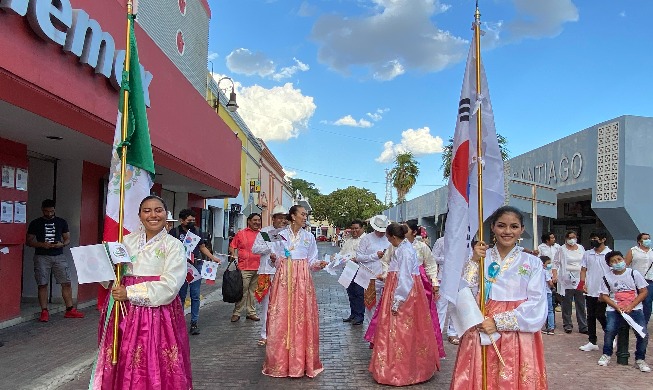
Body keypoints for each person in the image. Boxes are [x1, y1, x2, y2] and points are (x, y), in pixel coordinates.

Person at [92, 195, 192, 389]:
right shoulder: (124, 242)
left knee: (153, 359)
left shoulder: (174, 246)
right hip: (123, 311)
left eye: (158, 210)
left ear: (166, 214)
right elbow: (111, 276)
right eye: (147, 211)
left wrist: (129, 292)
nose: (153, 215)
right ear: (139, 215)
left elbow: (170, 286)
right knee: (121, 357)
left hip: (157, 314)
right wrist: (101, 263)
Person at [450, 206, 547, 389]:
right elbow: (465, 291)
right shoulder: (481, 258)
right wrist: (473, 262)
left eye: (514, 226)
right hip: (481, 322)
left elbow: (537, 303)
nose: (507, 231)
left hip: (517, 328)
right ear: (493, 227)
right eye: (501, 226)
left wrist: (499, 322)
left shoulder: (532, 262)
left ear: (522, 230)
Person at [368, 223, 439, 386]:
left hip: (404, 294)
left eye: (388, 237)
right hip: (398, 289)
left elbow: (406, 279)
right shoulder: (403, 248)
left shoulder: (405, 251)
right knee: (399, 330)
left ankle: (401, 369)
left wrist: (397, 301)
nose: (388, 240)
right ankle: (397, 366)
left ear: (393, 237)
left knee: (401, 330)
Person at [262, 205, 327, 378]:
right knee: (281, 317)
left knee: (302, 317)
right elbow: (272, 261)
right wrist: (274, 259)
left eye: (306, 215)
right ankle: (280, 362)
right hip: (283, 279)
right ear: (293, 216)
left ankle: (301, 362)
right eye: (302, 214)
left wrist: (318, 264)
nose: (305, 217)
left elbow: (312, 260)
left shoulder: (309, 237)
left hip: (303, 281)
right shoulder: (279, 235)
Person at [26, 199, 84, 322]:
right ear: (42, 210)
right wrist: (42, 244)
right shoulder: (35, 223)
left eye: (51, 211)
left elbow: (67, 238)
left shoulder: (61, 222)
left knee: (66, 282)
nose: (49, 213)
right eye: (46, 211)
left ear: (54, 209)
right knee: (42, 284)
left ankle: (70, 309)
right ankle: (44, 311)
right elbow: (29, 241)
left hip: (59, 255)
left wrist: (61, 244)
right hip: (41, 256)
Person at [169, 208, 222, 335]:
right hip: (180, 268)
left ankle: (194, 322)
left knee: (195, 295)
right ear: (182, 221)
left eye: (193, 220)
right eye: (189, 220)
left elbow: (202, 247)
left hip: (195, 268)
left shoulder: (197, 231)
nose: (192, 222)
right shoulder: (174, 232)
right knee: (180, 295)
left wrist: (213, 258)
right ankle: (179, 322)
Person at [597, 250, 650, 372]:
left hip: (635, 309)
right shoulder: (606, 277)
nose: (617, 263)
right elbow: (604, 295)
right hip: (614, 309)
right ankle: (607, 354)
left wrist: (631, 306)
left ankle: (640, 359)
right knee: (610, 330)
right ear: (609, 264)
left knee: (643, 334)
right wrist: (616, 307)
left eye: (619, 260)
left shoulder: (634, 274)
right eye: (613, 261)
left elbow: (644, 292)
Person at [251, 205, 288, 346]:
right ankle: (265, 334)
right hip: (267, 272)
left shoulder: (289, 233)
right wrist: (269, 248)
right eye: (280, 218)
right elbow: (255, 248)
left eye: (285, 218)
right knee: (267, 305)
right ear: (274, 218)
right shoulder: (265, 232)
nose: (283, 221)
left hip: (284, 272)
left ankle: (282, 334)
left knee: (284, 305)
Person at [578, 230, 611, 352]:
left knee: (600, 315)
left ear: (603, 240)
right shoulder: (588, 254)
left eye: (596, 238)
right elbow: (583, 269)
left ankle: (610, 337)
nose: (593, 241)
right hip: (590, 288)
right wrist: (583, 283)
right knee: (590, 316)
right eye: (592, 239)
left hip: (603, 290)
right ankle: (592, 341)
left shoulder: (609, 254)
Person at [356, 215, 390, 327]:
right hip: (370, 277)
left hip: (385, 277)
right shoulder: (366, 239)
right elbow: (359, 257)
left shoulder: (389, 239)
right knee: (371, 306)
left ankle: (382, 332)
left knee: (385, 305)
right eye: (379, 230)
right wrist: (374, 256)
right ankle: (372, 333)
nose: (381, 233)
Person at [229, 213, 263, 322]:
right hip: (244, 267)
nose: (257, 222)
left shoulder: (263, 234)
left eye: (259, 220)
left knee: (253, 292)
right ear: (249, 221)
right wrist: (233, 255)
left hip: (259, 267)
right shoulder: (241, 233)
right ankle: (237, 312)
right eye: (255, 220)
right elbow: (232, 245)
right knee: (242, 291)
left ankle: (251, 313)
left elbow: (270, 246)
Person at [554, 230, 587, 334]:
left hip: (579, 278)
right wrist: (555, 275)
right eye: (570, 238)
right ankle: (567, 324)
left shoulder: (581, 248)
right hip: (566, 278)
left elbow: (585, 263)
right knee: (566, 303)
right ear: (566, 239)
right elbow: (555, 263)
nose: (572, 240)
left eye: (574, 237)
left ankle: (583, 325)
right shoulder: (561, 249)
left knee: (580, 303)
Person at [432, 234, 460, 345]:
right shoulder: (441, 241)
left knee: (456, 307)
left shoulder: (463, 242)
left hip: (458, 278)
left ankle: (452, 333)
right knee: (440, 306)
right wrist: (447, 259)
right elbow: (432, 257)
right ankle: (436, 333)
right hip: (442, 278)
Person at [340, 219, 367, 325]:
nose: (354, 230)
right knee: (351, 293)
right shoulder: (349, 240)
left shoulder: (366, 239)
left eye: (356, 228)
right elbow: (343, 252)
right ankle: (353, 314)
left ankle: (360, 316)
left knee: (359, 293)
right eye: (352, 228)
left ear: (362, 228)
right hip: (348, 269)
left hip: (360, 269)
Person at [625, 232, 653, 325]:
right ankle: (632, 321)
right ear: (639, 241)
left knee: (647, 303)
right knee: (634, 301)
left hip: (649, 280)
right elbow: (626, 264)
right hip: (635, 280)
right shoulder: (633, 251)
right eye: (645, 238)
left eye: (648, 238)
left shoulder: (652, 251)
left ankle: (643, 323)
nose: (647, 240)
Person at [541, 256, 555, 335]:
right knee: (550, 310)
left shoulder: (537, 271)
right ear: (543, 264)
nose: (550, 265)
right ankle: (551, 327)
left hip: (541, 293)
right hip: (547, 292)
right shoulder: (546, 271)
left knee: (542, 310)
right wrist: (553, 287)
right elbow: (549, 282)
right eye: (548, 263)